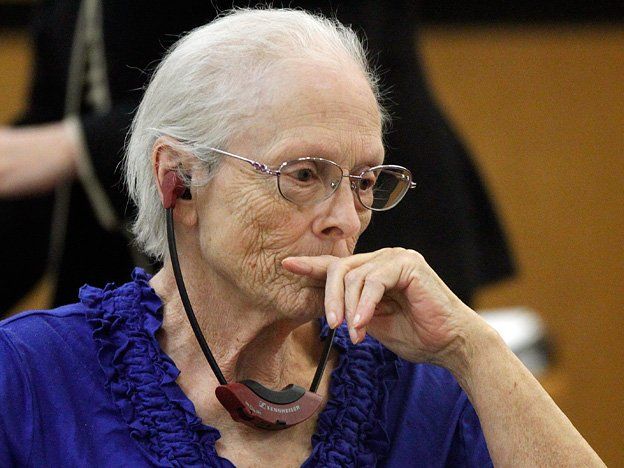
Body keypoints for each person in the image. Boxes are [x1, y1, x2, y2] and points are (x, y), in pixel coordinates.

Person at [0, 9, 600, 467]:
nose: (346, 219)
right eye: (304, 175)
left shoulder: (417, 386)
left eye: (365, 181)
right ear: (178, 180)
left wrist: (474, 349)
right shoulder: (31, 375)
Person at [0, 0, 513, 314]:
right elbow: (63, 99)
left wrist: (68, 146)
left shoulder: (342, 206)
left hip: (344, 194)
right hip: (136, 241)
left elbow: (305, 67)